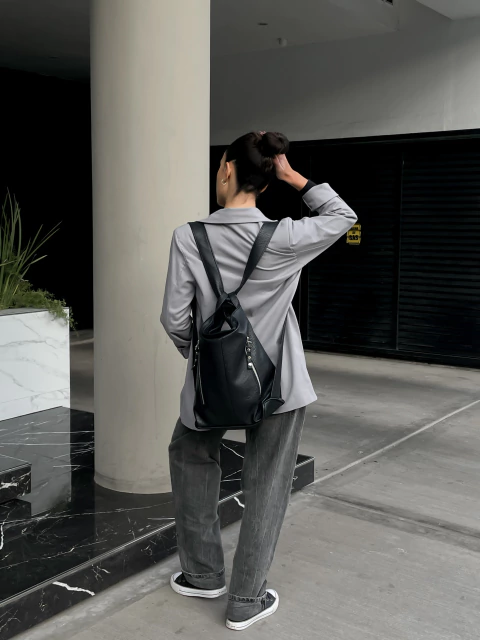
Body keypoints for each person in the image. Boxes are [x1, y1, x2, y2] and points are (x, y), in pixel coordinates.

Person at [161, 131, 357, 631]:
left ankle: (203, 574)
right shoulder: (286, 237)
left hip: (210, 387)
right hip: (280, 385)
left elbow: (174, 318)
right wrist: (294, 177)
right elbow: (343, 216)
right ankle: (247, 599)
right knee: (268, 481)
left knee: (189, 455)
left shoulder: (189, 236)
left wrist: (206, 363)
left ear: (226, 169)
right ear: (267, 181)